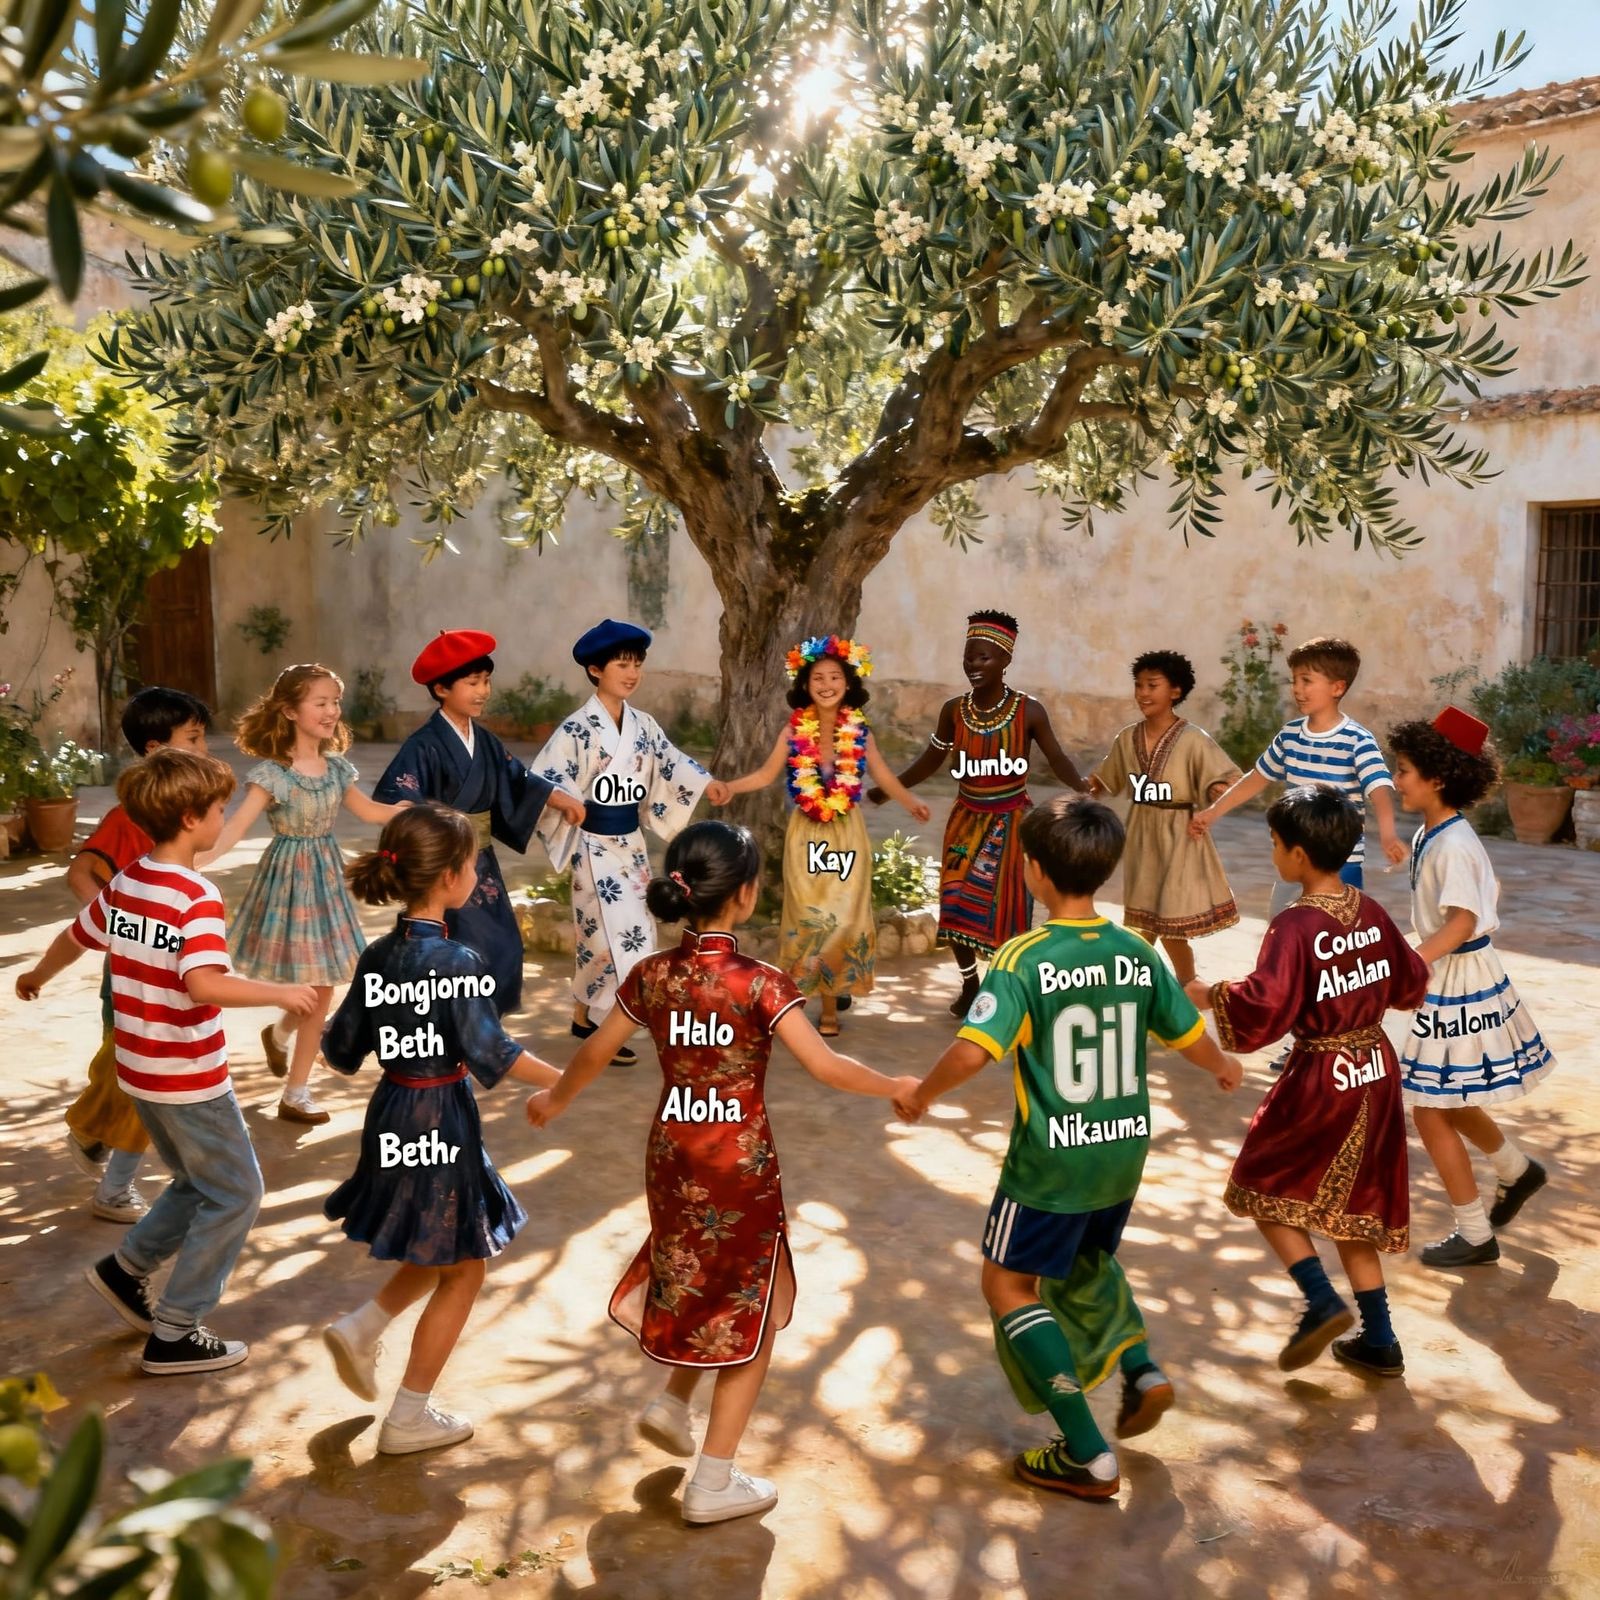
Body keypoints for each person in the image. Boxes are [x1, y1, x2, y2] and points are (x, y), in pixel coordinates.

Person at [525, 819, 919, 1524]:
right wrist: (893, 1084)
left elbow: (592, 1051)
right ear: (745, 896)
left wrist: (555, 1099)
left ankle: (673, 1405)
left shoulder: (651, 977)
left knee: (698, 1272)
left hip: (671, 1157)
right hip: (738, 1165)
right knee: (753, 1310)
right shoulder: (760, 984)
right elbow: (826, 1066)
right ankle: (714, 1479)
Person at [898, 795, 1241, 1500]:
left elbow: (972, 1053)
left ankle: (1085, 1452)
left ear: (1032, 872)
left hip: (1051, 1160)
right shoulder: (1136, 952)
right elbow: (1186, 1035)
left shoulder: (1022, 956)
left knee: (1006, 1284)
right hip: (1123, 1150)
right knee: (1085, 1262)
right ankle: (1142, 1367)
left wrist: (920, 1094)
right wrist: (1223, 1067)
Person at [17, 750, 316, 1374]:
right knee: (238, 1193)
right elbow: (205, 984)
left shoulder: (126, 883)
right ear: (189, 818)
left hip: (140, 1072)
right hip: (189, 1076)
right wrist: (280, 993)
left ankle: (125, 1271)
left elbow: (75, 938)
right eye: (218, 809)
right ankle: (177, 1330)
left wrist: (35, 976)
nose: (223, 817)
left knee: (196, 1182)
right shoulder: (194, 896)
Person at [319, 804, 563, 1454]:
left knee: (437, 1240)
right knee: (464, 1266)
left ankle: (362, 1326)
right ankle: (408, 1417)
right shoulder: (458, 960)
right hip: (440, 1115)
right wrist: (560, 1081)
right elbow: (493, 1051)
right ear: (454, 877)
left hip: (391, 1112)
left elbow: (341, 1051)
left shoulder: (376, 956)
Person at [1186, 786, 1430, 1378]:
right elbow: (1411, 982)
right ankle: (1380, 1338)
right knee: (1355, 1203)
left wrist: (1207, 994)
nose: (1273, 853)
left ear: (1296, 854)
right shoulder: (1370, 911)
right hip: (1375, 1068)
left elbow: (1265, 1004)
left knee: (1260, 1182)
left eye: (1274, 843)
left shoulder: (1293, 924)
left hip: (1323, 1074)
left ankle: (1320, 1299)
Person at [202, 663, 409, 1125]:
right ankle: (285, 1053)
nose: (332, 710)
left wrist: (406, 812)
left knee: (324, 987)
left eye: (335, 702)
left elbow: (371, 812)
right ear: (290, 710)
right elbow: (236, 825)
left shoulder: (337, 769)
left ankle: (293, 1083)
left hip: (326, 880)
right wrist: (193, 863)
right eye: (320, 702)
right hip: (285, 884)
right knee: (306, 989)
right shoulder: (272, 774)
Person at [1390, 709, 1554, 1268]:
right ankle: (1516, 1169)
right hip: (1450, 973)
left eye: (1405, 769)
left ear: (1438, 778)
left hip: (1458, 979)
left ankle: (1476, 1235)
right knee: (1446, 1094)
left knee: (1431, 1106)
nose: (1396, 778)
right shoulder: (1431, 831)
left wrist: (1413, 960)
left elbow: (1461, 921)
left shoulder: (1454, 844)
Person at [533, 619, 727, 1066]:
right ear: (596, 669)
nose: (632, 672)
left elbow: (671, 762)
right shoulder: (577, 728)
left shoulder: (645, 724)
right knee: (606, 937)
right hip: (591, 846)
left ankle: (584, 1016)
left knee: (630, 930)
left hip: (631, 844)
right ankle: (607, 1025)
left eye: (637, 664)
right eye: (622, 664)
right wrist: (565, 802)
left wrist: (704, 783)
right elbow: (547, 778)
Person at [874, 611, 1085, 1016]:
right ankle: (971, 984)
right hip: (965, 820)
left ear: (1005, 660)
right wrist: (890, 791)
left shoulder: (1030, 711)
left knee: (1006, 910)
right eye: (969, 657)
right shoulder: (954, 711)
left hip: (1012, 823)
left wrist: (1083, 788)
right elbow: (930, 759)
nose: (974, 665)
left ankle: (1006, 989)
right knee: (954, 902)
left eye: (984, 658)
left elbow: (1057, 758)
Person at [718, 635, 929, 1035]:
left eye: (835, 676)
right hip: (807, 834)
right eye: (818, 677)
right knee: (807, 913)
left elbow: (881, 774)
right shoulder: (794, 729)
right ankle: (805, 992)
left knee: (843, 917)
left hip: (846, 833)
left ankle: (831, 1003)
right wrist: (730, 787)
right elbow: (766, 774)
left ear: (848, 684)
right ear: (805, 684)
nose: (827, 684)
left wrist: (909, 802)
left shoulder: (859, 729)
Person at [373, 629, 587, 1016]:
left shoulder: (484, 740)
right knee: (451, 944)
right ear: (441, 689)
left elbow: (517, 779)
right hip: (442, 865)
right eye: (472, 683)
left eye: (486, 681)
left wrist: (557, 797)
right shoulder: (424, 744)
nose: (483, 691)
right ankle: (452, 1026)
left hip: (480, 862)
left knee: (502, 943)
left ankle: (480, 1026)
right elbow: (398, 797)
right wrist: (421, 824)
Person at [63, 686, 211, 1222]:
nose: (205, 749)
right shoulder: (131, 817)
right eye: (193, 739)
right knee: (145, 1087)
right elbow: (80, 873)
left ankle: (87, 1132)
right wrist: (117, 926)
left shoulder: (176, 815)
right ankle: (114, 1188)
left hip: (166, 975)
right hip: (135, 978)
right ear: (155, 749)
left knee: (127, 1080)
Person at [1088, 650, 1240, 986]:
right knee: (1143, 919)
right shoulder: (1127, 738)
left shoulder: (1193, 740)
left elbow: (1227, 778)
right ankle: (1144, 988)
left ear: (1175, 690)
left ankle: (1186, 986)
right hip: (1142, 835)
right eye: (1138, 685)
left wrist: (1216, 792)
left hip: (1180, 836)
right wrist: (1081, 794)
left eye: (1152, 685)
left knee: (1169, 923)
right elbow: (1103, 779)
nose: (1143, 692)